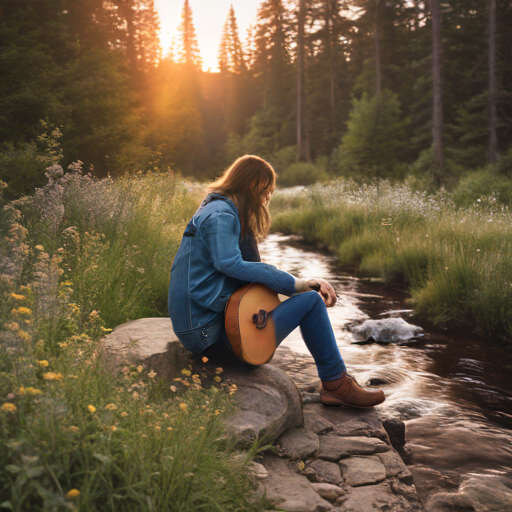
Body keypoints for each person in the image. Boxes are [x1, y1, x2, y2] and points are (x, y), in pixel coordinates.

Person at [168, 155, 385, 408]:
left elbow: (253, 275)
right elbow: (231, 265)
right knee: (313, 303)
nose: (266, 199)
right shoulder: (221, 216)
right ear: (253, 187)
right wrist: (301, 286)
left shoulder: (223, 210)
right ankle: (337, 384)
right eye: (266, 192)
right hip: (209, 339)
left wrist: (300, 286)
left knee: (304, 297)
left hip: (208, 331)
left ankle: (336, 380)